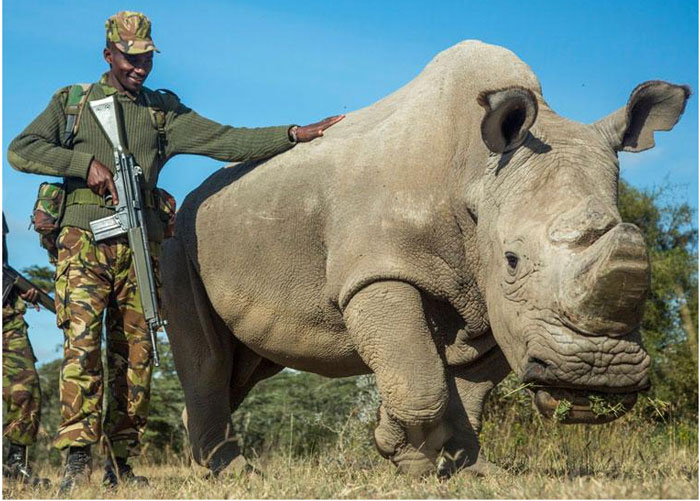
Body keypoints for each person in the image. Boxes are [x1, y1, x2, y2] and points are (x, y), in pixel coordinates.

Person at [7, 10, 343, 492]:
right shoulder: (73, 103)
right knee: (81, 348)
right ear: (108, 55)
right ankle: (77, 460)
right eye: (129, 58)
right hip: (83, 245)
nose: (138, 67)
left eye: (145, 58)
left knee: (137, 356)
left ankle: (121, 462)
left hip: (142, 247)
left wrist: (291, 134)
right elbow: (21, 150)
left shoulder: (161, 111)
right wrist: (84, 163)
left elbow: (226, 140)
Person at [2, 214, 50, 488]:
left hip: (7, 317)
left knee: (26, 387)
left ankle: (15, 465)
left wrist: (16, 287)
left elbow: (3, 264)